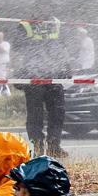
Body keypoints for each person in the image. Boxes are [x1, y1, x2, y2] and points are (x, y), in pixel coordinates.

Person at [17, 12, 69, 158]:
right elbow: (18, 50)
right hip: (33, 77)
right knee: (35, 114)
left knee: (58, 112)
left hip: (53, 75)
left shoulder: (56, 23)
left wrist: (66, 66)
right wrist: (21, 73)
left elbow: (63, 46)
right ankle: (38, 146)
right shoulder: (25, 24)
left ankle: (54, 146)